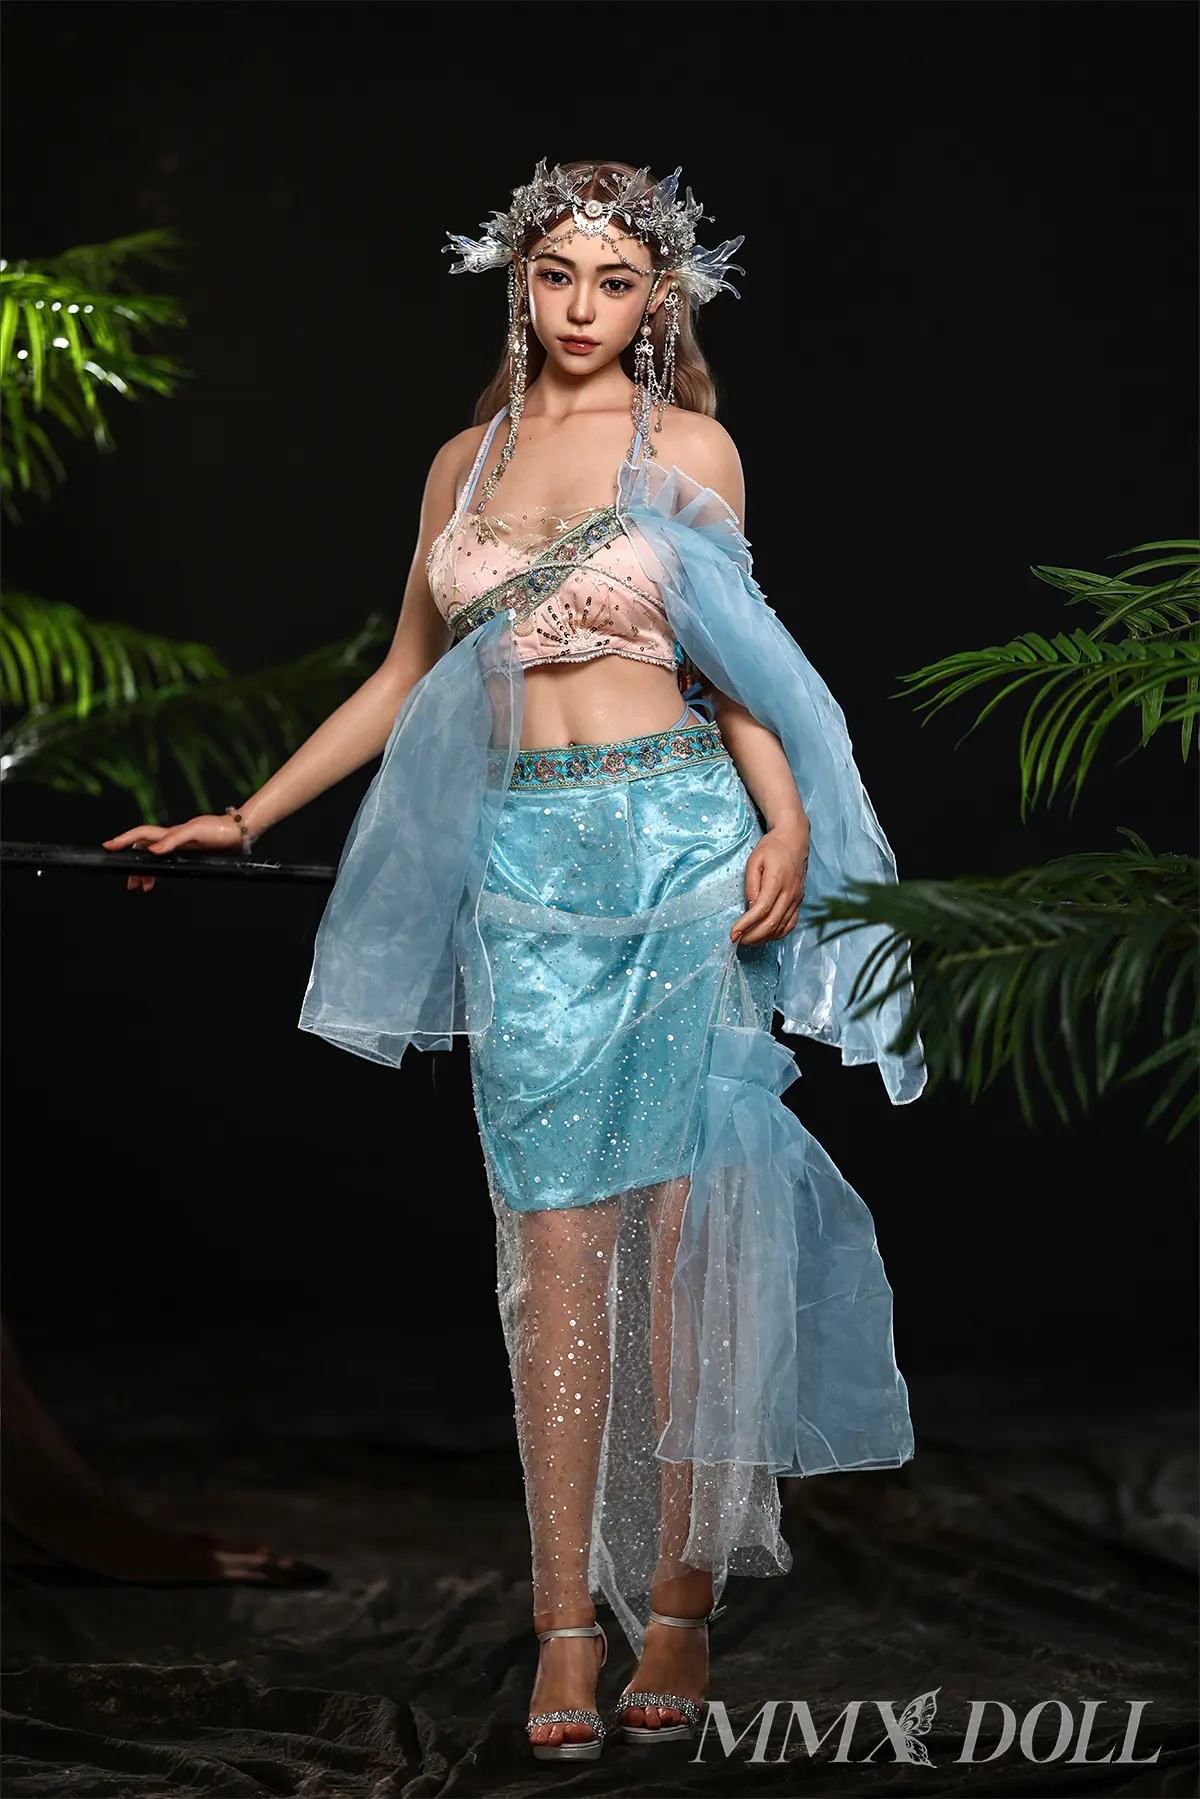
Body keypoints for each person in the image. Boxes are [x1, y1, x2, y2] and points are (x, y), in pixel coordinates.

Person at [105, 159, 926, 1763]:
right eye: (557, 275)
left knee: (682, 1245)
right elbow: (405, 672)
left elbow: (739, 662)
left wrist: (785, 825)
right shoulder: (461, 463)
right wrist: (244, 813)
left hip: (682, 850)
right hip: (526, 868)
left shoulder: (687, 450)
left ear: (658, 296)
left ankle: (675, 1609)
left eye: (615, 281)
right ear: (518, 283)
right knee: (549, 1253)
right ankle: (563, 1624)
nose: (581, 307)